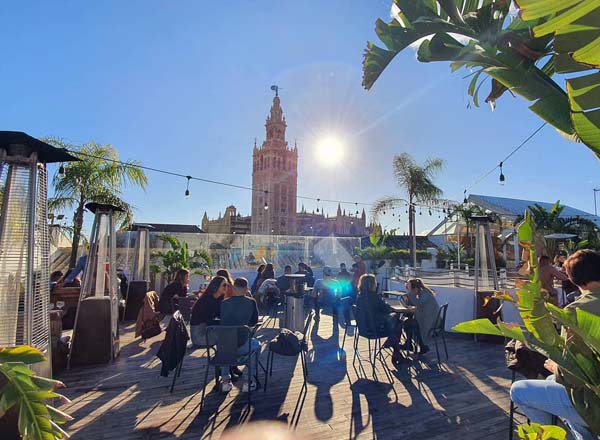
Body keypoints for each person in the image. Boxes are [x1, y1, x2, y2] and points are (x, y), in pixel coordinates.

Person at [511, 250, 600, 440]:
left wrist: (555, 366)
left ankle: (556, 436)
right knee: (551, 382)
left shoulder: (576, 311)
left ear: (572, 278)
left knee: (518, 391)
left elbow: (574, 374)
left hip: (594, 401)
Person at [219, 277, 260, 393]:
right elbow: (254, 322)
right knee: (257, 345)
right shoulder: (251, 302)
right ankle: (249, 381)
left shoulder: (224, 303)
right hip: (242, 346)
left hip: (225, 349)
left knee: (226, 342)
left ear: (233, 288)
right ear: (247, 289)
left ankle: (225, 380)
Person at [355, 274, 403, 364]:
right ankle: (395, 350)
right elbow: (387, 308)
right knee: (398, 322)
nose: (376, 284)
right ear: (371, 284)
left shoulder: (360, 296)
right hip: (375, 329)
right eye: (375, 282)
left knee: (396, 324)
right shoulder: (373, 296)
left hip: (364, 329)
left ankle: (393, 345)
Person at [190, 275, 228, 347]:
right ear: (216, 286)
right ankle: (226, 356)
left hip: (206, 330)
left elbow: (220, 315)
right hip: (199, 336)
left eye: (227, 285)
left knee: (229, 332)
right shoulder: (207, 300)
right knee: (228, 335)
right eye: (224, 285)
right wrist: (227, 322)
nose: (226, 287)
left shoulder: (217, 298)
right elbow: (209, 321)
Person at [404, 278, 440, 354]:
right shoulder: (423, 293)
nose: (413, 293)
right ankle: (414, 344)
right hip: (429, 317)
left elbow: (418, 303)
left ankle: (414, 344)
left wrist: (409, 293)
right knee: (409, 322)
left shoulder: (425, 293)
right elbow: (417, 305)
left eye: (412, 290)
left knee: (410, 323)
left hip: (432, 320)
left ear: (416, 288)